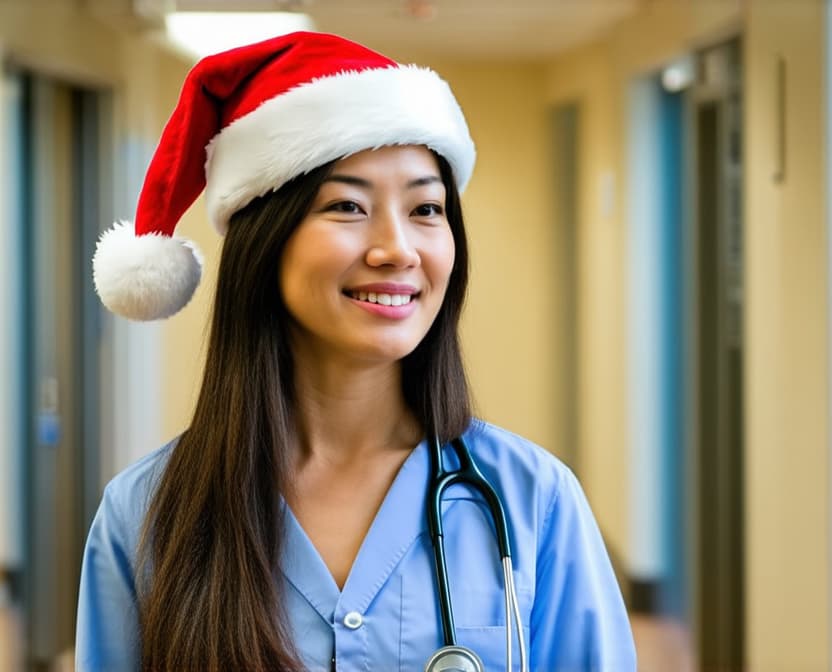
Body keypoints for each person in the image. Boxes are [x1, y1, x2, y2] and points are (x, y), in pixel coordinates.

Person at [76, 31, 636, 672]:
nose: (397, 248)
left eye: (426, 208)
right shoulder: (146, 516)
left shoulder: (533, 500)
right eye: (347, 205)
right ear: (267, 241)